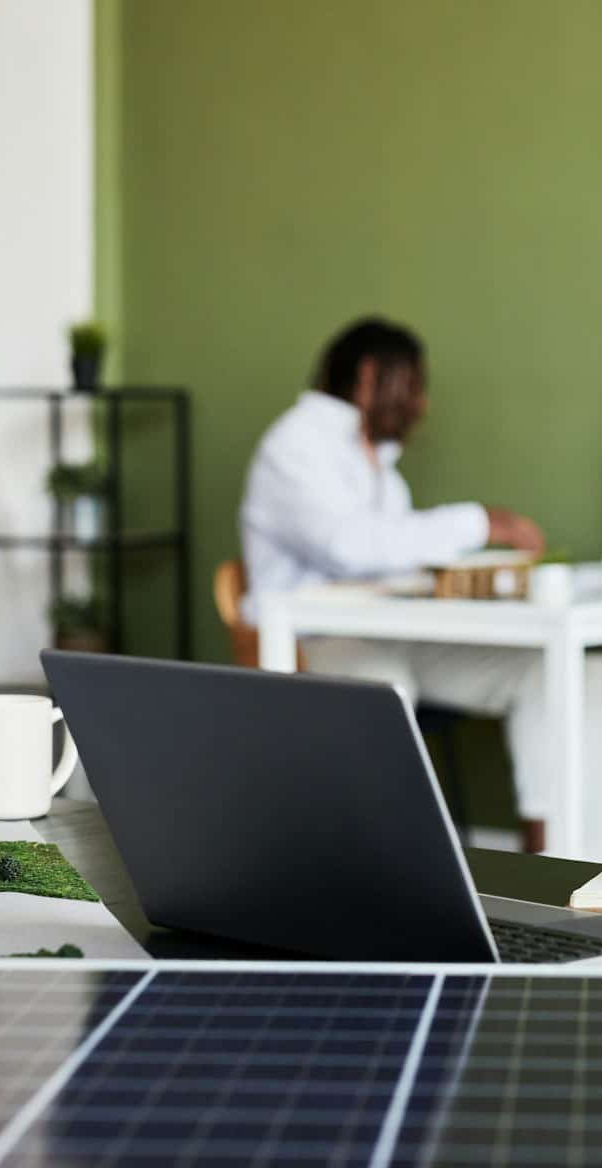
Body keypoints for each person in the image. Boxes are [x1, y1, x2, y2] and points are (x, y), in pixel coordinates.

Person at [239, 316, 552, 843]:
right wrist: (480, 522)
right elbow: (348, 547)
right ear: (367, 376)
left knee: (539, 672)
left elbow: (394, 559)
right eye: (412, 383)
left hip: (390, 638)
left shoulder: (380, 464)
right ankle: (389, 862)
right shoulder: (294, 446)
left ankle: (553, 851)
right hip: (312, 643)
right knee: (385, 693)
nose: (421, 404)